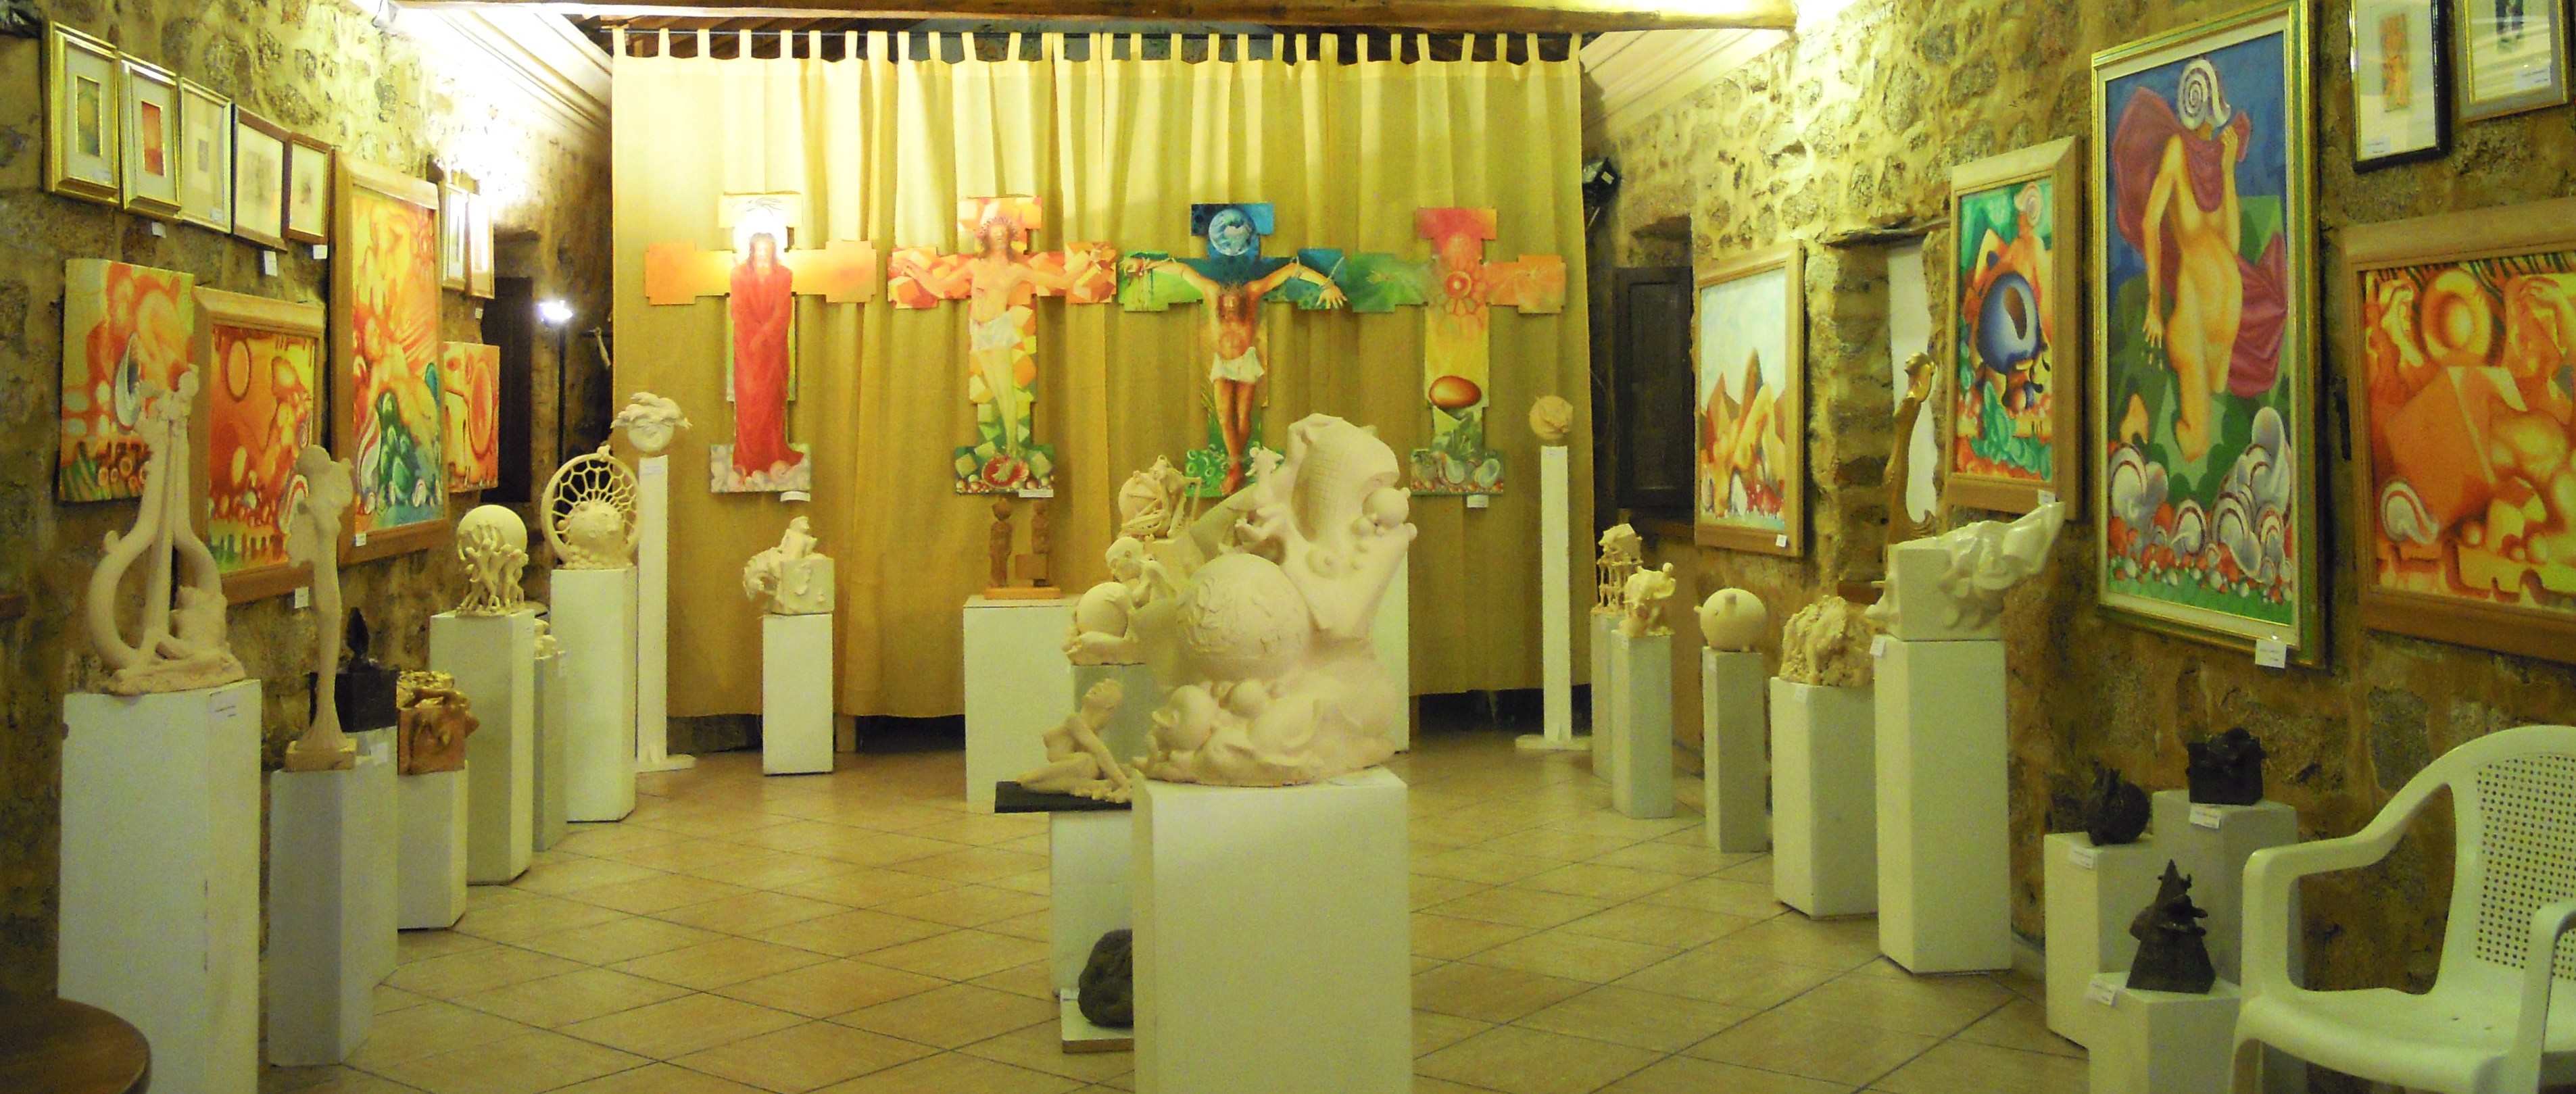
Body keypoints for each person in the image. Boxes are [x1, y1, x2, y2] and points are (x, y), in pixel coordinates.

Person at [2112, 57, 2287, 465]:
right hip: (2192, 316)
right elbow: (2151, 223)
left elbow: (2229, 244)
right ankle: (2136, 415)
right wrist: (2153, 305)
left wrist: (2228, 171)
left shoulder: (2215, 163)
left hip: (2223, 319)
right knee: (2195, 446)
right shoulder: (2177, 151)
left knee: (2214, 423)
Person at [727, 231, 799, 478]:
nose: (762, 254)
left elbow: (782, 312)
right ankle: (748, 458)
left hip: (773, 351)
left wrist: (764, 336)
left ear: (773, 250)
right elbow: (739, 311)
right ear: (751, 250)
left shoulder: (784, 275)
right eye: (758, 249)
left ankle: (774, 454)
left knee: (772, 400)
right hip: (747, 351)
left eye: (766, 249)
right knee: (750, 402)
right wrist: (754, 338)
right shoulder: (738, 275)